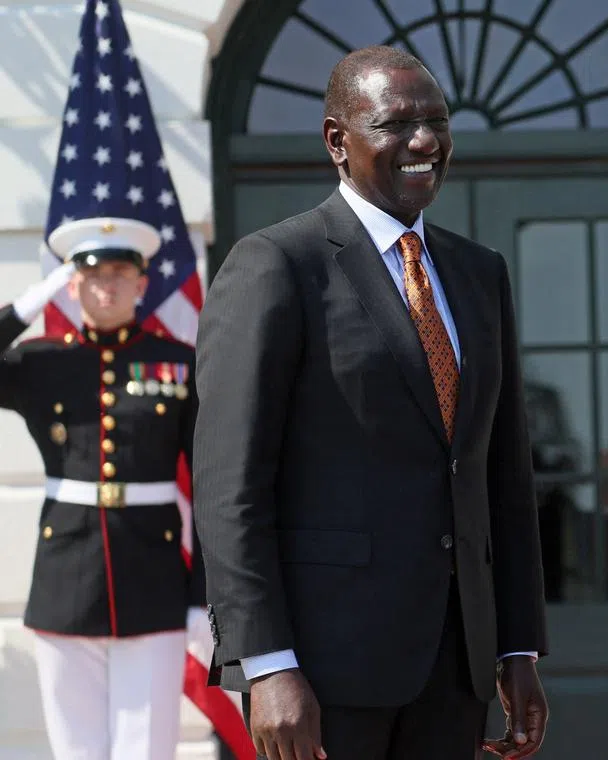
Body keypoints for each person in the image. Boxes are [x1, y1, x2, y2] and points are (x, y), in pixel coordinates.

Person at [192, 45, 548, 760]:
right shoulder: (277, 266)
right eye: (395, 124)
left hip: (457, 674)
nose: (424, 142)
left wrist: (518, 647)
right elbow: (231, 489)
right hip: (325, 677)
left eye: (437, 121)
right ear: (337, 141)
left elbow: (501, 477)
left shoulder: (480, 274)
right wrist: (266, 665)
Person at [0, 216, 203, 759]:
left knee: (148, 749)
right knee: (77, 751)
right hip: (66, 578)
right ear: (71, 284)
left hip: (155, 579)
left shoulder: (180, 364)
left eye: (120, 273)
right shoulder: (42, 362)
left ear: (142, 283)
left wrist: (203, 594)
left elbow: (210, 487)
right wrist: (27, 304)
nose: (106, 286)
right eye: (91, 275)